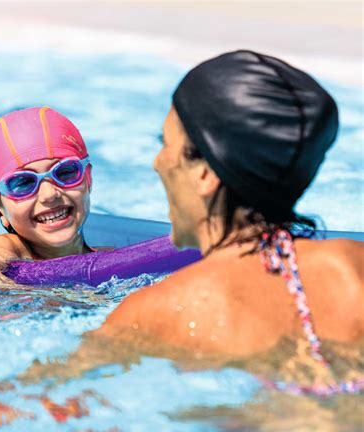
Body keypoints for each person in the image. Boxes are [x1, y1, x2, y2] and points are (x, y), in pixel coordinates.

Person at [87, 50, 363, 394]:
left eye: (165, 144)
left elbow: (49, 400)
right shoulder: (353, 267)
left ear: (204, 172)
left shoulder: (154, 312)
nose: (157, 163)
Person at [0, 106, 94, 285]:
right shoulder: (10, 249)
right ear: (0, 209)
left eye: (65, 172)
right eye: (23, 183)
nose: (49, 195)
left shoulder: (112, 258)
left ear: (88, 179)